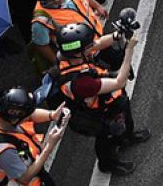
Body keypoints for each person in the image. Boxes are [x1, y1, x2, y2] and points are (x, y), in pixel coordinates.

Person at [54, 21, 148, 175]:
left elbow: (99, 43)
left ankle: (127, 138)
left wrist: (116, 35)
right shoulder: (82, 83)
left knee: (125, 117)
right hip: (99, 113)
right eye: (88, 46)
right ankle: (107, 164)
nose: (93, 47)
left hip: (112, 100)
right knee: (106, 139)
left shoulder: (70, 55)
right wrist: (129, 50)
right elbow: (120, 81)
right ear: (79, 53)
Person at [0, 87, 68, 185]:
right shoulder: (4, 151)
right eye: (27, 116)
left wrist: (52, 115)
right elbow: (24, 178)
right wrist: (50, 146)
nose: (30, 117)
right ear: (15, 119)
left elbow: (30, 115)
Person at [26, 0, 107, 69]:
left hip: (100, 36)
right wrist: (59, 64)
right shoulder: (41, 20)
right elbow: (41, 45)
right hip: (83, 56)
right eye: (49, 0)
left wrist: (97, 6)